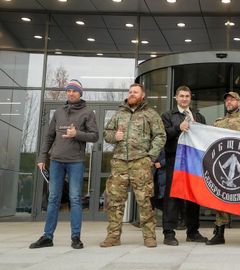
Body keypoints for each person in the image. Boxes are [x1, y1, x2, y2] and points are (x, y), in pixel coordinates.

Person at [31, 79, 99, 249]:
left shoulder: (88, 112)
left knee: (75, 199)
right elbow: (49, 137)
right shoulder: (59, 112)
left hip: (75, 161)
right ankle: (47, 236)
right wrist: (41, 158)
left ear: (80, 93)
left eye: (74, 91)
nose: (70, 93)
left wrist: (77, 133)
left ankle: (76, 237)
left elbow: (94, 136)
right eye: (68, 90)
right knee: (53, 198)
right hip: (56, 161)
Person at [100, 83, 166, 248]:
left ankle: (149, 236)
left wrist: (150, 156)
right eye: (130, 92)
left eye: (135, 92)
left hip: (140, 163)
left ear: (142, 95)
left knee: (144, 201)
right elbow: (106, 134)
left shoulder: (150, 114)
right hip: (119, 162)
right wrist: (114, 136)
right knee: (115, 201)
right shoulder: (119, 114)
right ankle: (113, 236)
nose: (132, 94)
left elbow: (160, 136)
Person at [206, 91, 240, 248]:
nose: (229, 102)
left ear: (239, 103)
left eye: (232, 99)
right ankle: (219, 235)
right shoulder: (218, 123)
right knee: (221, 200)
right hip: (223, 167)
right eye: (227, 100)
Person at [161, 85, 208, 246]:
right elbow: (162, 137)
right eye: (181, 96)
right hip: (175, 160)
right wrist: (177, 128)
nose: (184, 98)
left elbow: (205, 137)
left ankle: (193, 232)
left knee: (194, 196)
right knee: (173, 196)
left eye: (187, 96)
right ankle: (169, 232)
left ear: (190, 98)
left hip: (194, 161)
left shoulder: (198, 116)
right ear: (176, 98)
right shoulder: (167, 115)